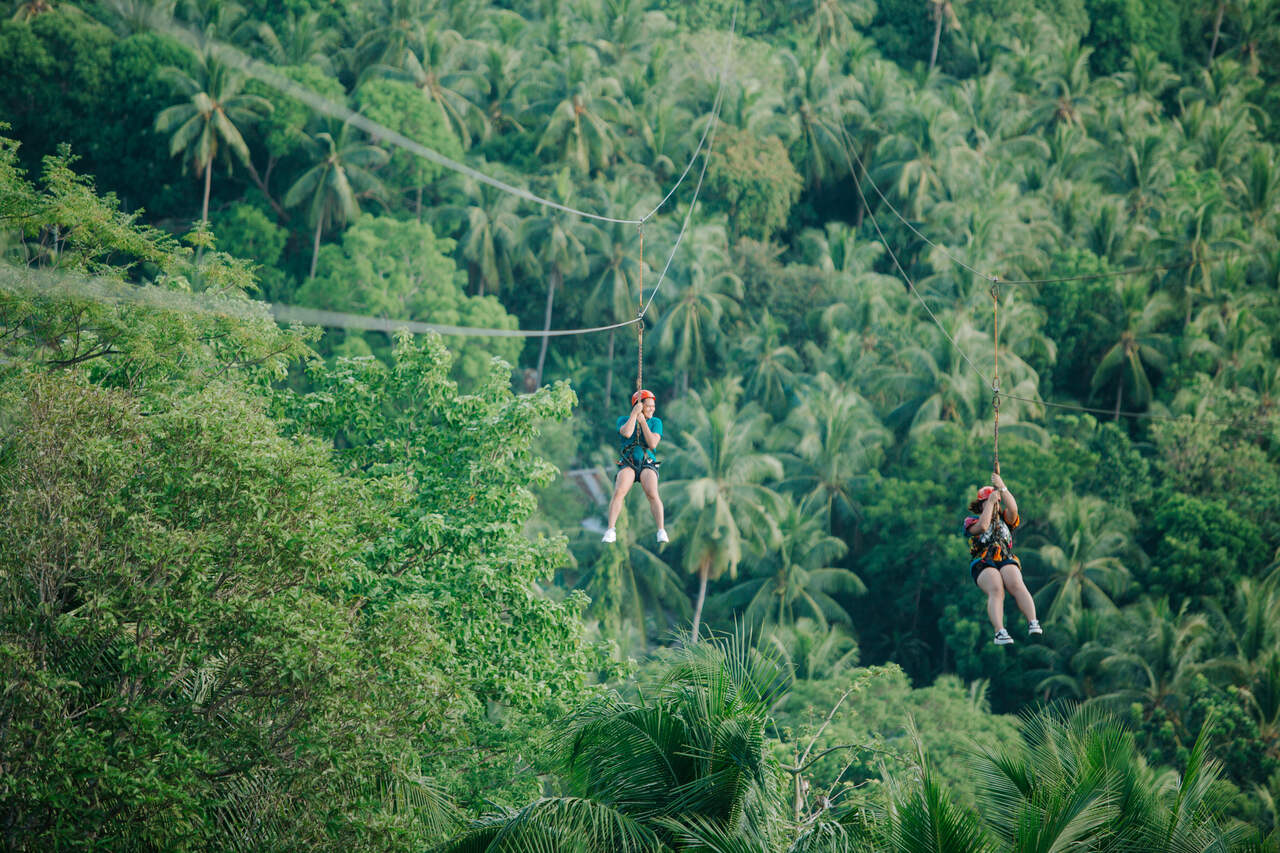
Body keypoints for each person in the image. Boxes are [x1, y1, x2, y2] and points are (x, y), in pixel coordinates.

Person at [963, 472, 1041, 645]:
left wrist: (1002, 487)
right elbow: (983, 527)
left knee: (1016, 582)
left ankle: (1032, 621)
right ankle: (1000, 631)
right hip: (983, 562)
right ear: (981, 505)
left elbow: (1013, 509)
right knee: (996, 589)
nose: (996, 505)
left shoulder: (1005, 519)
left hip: (1004, 557)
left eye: (997, 503)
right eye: (991, 502)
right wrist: (990, 501)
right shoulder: (971, 522)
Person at [602, 389, 667, 544]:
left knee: (652, 493)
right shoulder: (623, 420)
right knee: (619, 491)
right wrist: (634, 415)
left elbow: (652, 443)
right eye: (649, 406)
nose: (652, 408)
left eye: (653, 406)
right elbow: (626, 433)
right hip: (629, 461)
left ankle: (661, 530)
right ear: (639, 406)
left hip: (646, 461)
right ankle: (611, 529)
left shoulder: (656, 422)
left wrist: (643, 421)